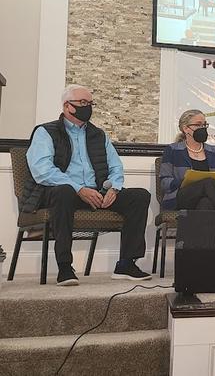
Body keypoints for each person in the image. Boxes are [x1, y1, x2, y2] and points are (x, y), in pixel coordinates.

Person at [23, 84, 151, 285]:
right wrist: (79, 189)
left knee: (140, 196)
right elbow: (42, 171)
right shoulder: (45, 132)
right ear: (67, 106)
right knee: (63, 191)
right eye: (83, 103)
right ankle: (65, 267)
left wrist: (114, 188)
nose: (88, 107)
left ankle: (126, 263)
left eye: (90, 103)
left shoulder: (98, 134)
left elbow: (115, 166)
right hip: (62, 193)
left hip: (96, 192)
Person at [159, 110, 215, 212]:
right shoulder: (172, 150)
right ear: (186, 128)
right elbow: (165, 183)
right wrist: (185, 181)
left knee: (205, 203)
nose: (202, 128)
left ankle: (200, 227)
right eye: (198, 125)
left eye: (204, 125)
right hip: (180, 198)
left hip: (208, 199)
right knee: (208, 182)